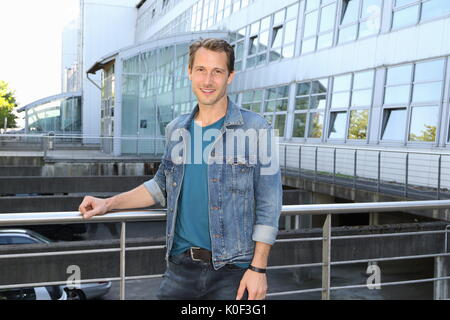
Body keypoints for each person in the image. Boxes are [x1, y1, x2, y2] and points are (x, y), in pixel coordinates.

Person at [78, 38, 282, 300]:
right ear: (189, 73)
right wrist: (108, 204)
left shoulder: (256, 128)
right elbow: (160, 186)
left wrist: (258, 268)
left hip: (234, 272)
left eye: (217, 71)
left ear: (230, 76)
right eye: (201, 70)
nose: (208, 80)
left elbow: (269, 203)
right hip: (179, 269)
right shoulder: (176, 129)